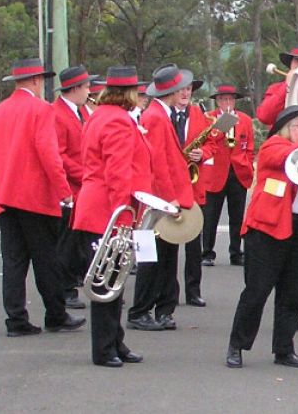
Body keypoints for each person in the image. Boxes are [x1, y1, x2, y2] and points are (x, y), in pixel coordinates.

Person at [226, 105, 298, 369]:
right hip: (267, 229)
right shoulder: (274, 146)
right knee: (257, 291)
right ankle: (237, 345)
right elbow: (287, 158)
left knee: (293, 293)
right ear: (286, 129)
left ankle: (284, 348)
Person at [0, 57, 85, 337]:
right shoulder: (41, 110)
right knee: (46, 260)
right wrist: (65, 192)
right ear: (37, 80)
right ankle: (56, 315)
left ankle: (16, 319)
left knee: (13, 262)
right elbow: (50, 156)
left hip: (7, 197)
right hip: (37, 198)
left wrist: (7, 162)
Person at [72, 65, 149, 367]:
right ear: (128, 93)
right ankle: (105, 349)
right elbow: (118, 173)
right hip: (109, 209)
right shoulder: (117, 121)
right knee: (108, 284)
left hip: (99, 206)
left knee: (112, 282)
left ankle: (114, 342)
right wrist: (124, 217)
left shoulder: (101, 116)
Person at [126, 64, 195, 332]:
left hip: (161, 201)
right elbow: (156, 164)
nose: (186, 92)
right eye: (181, 89)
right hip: (156, 203)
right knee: (151, 259)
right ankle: (141, 310)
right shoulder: (155, 117)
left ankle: (163, 308)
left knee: (164, 258)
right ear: (172, 92)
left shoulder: (159, 114)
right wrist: (169, 201)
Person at [51, 65, 96, 310]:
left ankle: (76, 282)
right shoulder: (57, 114)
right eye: (86, 86)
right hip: (70, 189)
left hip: (84, 187)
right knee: (66, 242)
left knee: (79, 240)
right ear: (76, 88)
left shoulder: (83, 113)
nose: (89, 92)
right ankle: (65, 288)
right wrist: (84, 174)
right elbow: (59, 154)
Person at [172, 76, 217, 308]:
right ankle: (170, 292)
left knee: (193, 242)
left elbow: (211, 143)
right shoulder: (163, 114)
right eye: (181, 89)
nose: (185, 94)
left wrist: (204, 153)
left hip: (193, 185)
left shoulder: (199, 115)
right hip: (170, 186)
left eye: (188, 90)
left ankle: (193, 291)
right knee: (168, 243)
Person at [201, 83, 255, 267]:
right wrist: (224, 123)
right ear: (217, 101)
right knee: (211, 216)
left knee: (237, 216)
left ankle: (236, 251)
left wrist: (247, 164)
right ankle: (207, 252)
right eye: (223, 99)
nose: (227, 102)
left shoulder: (245, 120)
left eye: (230, 99)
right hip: (216, 172)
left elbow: (249, 146)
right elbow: (208, 140)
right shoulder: (208, 118)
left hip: (238, 171)